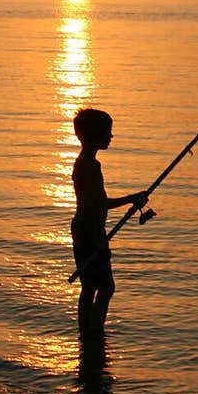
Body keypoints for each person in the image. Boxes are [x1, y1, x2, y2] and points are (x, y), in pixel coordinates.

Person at [71, 107, 148, 336]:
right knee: (106, 287)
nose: (111, 137)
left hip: (82, 229)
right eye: (108, 133)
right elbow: (99, 204)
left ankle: (85, 332)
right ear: (96, 136)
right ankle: (95, 333)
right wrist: (131, 199)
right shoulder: (90, 166)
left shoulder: (83, 162)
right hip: (91, 231)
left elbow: (95, 203)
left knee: (89, 286)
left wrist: (131, 200)